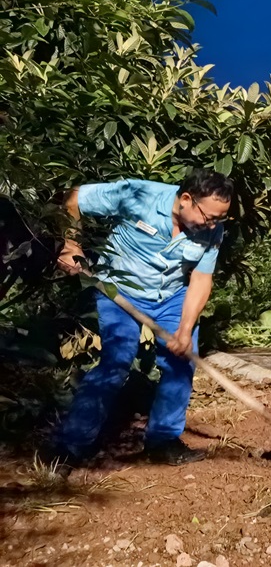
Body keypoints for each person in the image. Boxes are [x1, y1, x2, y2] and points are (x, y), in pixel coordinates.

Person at [50, 169, 233, 467]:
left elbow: (201, 278)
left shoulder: (212, 230)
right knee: (116, 362)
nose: (213, 225)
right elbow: (73, 198)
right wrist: (71, 244)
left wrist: (185, 329)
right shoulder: (138, 195)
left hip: (171, 296)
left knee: (182, 361)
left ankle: (162, 441)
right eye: (209, 216)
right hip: (119, 290)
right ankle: (72, 446)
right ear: (186, 199)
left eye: (220, 219)